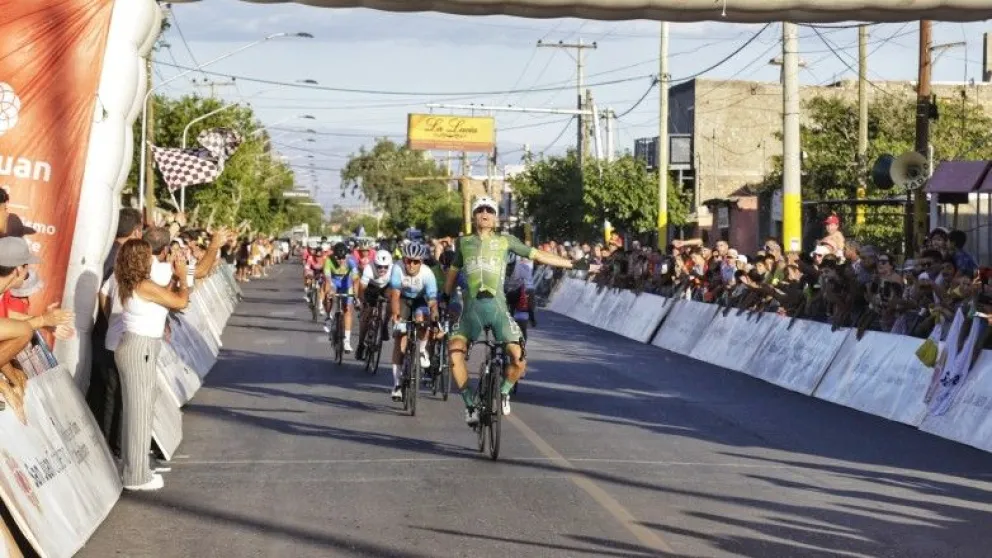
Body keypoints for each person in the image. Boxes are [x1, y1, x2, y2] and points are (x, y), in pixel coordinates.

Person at [443, 196, 581, 424]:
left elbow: (537, 254)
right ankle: (469, 404)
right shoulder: (463, 243)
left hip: (498, 310)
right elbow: (452, 273)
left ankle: (505, 391)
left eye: (489, 210)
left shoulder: (506, 240)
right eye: (480, 210)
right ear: (474, 215)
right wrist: (444, 298)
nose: (484, 214)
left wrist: (572, 264)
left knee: (519, 359)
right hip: (471, 312)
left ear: (496, 217)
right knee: (454, 352)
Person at [112, 238, 189, 491]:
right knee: (139, 412)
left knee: (139, 409)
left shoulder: (132, 283)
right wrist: (183, 277)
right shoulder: (143, 285)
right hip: (140, 348)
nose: (153, 260)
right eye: (148, 256)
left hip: (136, 346)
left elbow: (166, 293)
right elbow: (180, 302)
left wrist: (176, 279)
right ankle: (136, 476)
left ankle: (135, 467)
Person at [388, 242, 438, 401]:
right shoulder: (397, 268)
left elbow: (432, 302)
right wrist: (395, 315)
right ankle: (396, 385)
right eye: (408, 260)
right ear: (403, 260)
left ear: (421, 262)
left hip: (420, 301)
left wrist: (434, 319)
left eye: (416, 262)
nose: (411, 265)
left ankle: (422, 350)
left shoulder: (428, 274)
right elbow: (395, 295)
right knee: (400, 338)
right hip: (403, 300)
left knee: (422, 320)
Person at [355, 249, 393, 360]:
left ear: (389, 265)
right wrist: (363, 301)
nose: (382, 269)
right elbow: (361, 289)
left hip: (386, 287)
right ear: (374, 264)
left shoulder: (393, 269)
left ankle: (385, 324)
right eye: (379, 266)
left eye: (385, 267)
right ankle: (361, 345)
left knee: (392, 301)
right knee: (366, 316)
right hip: (370, 287)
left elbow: (396, 288)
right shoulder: (368, 268)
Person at [322, 242, 359, 353]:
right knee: (328, 296)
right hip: (333, 283)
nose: (341, 261)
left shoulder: (351, 261)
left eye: (343, 258)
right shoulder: (328, 261)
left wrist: (356, 296)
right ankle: (328, 316)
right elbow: (328, 280)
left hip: (346, 284)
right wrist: (328, 292)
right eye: (338, 258)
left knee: (347, 309)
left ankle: (346, 341)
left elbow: (356, 280)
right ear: (334, 256)